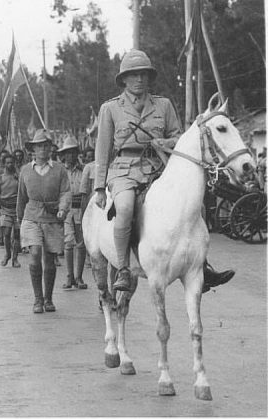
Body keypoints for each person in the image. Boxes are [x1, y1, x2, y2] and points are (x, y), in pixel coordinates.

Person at [94, 49, 234, 293]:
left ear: (150, 78)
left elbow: (178, 137)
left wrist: (166, 143)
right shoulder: (110, 108)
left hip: (159, 168)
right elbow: (102, 150)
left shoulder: (163, 104)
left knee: (194, 206)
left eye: (144, 75)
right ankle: (124, 270)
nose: (139, 79)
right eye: (134, 75)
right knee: (125, 208)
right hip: (125, 170)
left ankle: (202, 265)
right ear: (124, 79)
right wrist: (99, 187)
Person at [17, 129, 71, 313]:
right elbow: (21, 198)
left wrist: (63, 209)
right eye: (39, 146)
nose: (43, 149)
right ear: (33, 150)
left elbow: (65, 192)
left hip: (52, 218)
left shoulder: (59, 169)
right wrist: (19, 220)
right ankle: (37, 299)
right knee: (35, 253)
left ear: (51, 149)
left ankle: (48, 299)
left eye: (46, 146)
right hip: (31, 217)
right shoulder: (25, 170)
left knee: (49, 259)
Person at [58, 136, 88, 289]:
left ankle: (79, 276)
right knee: (68, 243)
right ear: (63, 155)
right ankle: (70, 277)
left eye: (73, 152)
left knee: (81, 244)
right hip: (66, 210)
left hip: (80, 208)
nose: (70, 156)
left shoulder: (84, 170)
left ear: (77, 153)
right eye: (67, 153)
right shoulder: (60, 171)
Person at [0, 154, 21, 268]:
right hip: (5, 210)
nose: (10, 164)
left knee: (17, 235)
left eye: (12, 162)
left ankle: (15, 258)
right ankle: (7, 254)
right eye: (7, 162)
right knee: (7, 233)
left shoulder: (18, 177)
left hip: (17, 210)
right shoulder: (0, 178)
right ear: (4, 164)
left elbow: (23, 192)